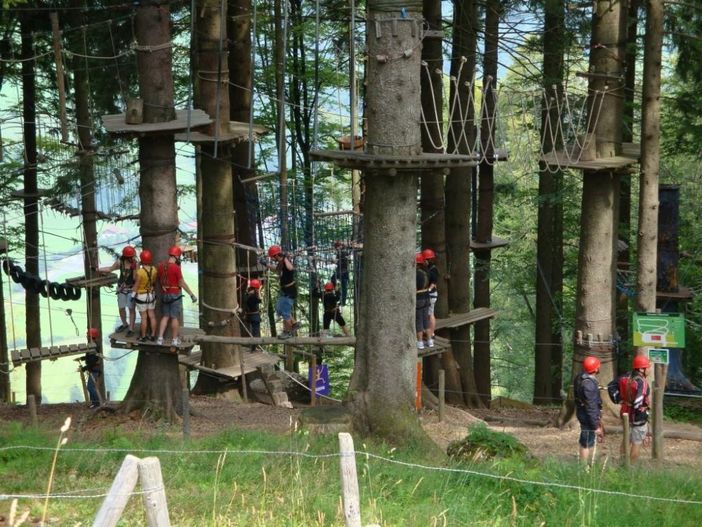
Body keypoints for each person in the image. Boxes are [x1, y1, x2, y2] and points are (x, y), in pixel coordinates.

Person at [156, 246, 197, 347]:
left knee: (165, 317)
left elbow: (161, 279)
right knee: (174, 318)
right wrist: (191, 294)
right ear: (177, 256)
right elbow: (181, 283)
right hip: (174, 294)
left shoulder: (161, 266)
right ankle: (174, 340)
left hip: (165, 294)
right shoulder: (176, 268)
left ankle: (160, 338)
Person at [99, 245, 137, 336]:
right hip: (121, 288)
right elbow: (110, 269)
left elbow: (136, 277)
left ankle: (131, 328)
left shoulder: (135, 264)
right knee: (121, 308)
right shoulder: (120, 262)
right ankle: (125, 324)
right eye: (132, 256)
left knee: (131, 309)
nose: (133, 257)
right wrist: (98, 270)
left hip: (131, 288)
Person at [620, 355, 652, 463]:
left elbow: (613, 386)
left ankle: (622, 464)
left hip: (625, 412)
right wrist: (643, 409)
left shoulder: (627, 376)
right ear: (641, 369)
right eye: (648, 367)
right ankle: (631, 468)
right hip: (637, 416)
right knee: (636, 442)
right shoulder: (642, 382)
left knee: (626, 440)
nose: (649, 370)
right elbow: (638, 401)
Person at [574, 356, 604, 464]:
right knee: (587, 441)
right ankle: (584, 467)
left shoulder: (579, 377)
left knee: (586, 439)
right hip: (587, 415)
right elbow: (591, 407)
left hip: (582, 411)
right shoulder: (589, 384)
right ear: (595, 369)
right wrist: (595, 425)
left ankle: (585, 465)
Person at [266, 245, 300, 338]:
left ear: (276, 255)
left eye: (272, 257)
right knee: (279, 309)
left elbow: (290, 268)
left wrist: (284, 258)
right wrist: (267, 264)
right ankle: (294, 323)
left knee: (285, 312)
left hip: (289, 291)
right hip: (285, 291)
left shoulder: (285, 261)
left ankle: (287, 332)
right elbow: (276, 270)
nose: (272, 259)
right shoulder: (280, 263)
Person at [133, 249, 158, 342]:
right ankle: (153, 335)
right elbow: (153, 282)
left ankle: (143, 336)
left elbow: (136, 282)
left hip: (141, 295)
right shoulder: (154, 270)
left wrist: (137, 267)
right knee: (152, 316)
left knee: (144, 317)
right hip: (151, 295)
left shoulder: (140, 272)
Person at [80, 327, 102, 408]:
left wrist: (84, 368)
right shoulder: (93, 345)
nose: (86, 336)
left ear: (91, 336)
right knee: (91, 387)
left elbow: (92, 361)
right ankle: (94, 403)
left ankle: (96, 404)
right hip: (93, 369)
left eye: (88, 335)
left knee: (90, 387)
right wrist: (83, 358)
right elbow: (90, 357)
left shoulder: (93, 347)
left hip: (94, 370)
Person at [415, 253, 433, 350]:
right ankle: (430, 341)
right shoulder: (427, 272)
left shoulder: (416, 274)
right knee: (425, 320)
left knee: (418, 321)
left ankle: (420, 342)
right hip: (427, 297)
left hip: (419, 298)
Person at [422, 248, 439, 342]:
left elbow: (434, 282)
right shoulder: (428, 268)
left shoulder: (433, 269)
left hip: (431, 294)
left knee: (430, 314)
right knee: (428, 314)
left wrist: (428, 290)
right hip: (429, 294)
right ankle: (429, 332)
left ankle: (432, 333)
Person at [331, 241, 351, 306]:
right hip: (341, 272)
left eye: (337, 247)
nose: (336, 248)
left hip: (343, 272)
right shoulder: (340, 252)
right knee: (343, 287)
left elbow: (346, 261)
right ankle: (340, 296)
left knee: (344, 287)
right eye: (336, 247)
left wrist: (338, 260)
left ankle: (342, 300)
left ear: (340, 246)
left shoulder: (343, 252)